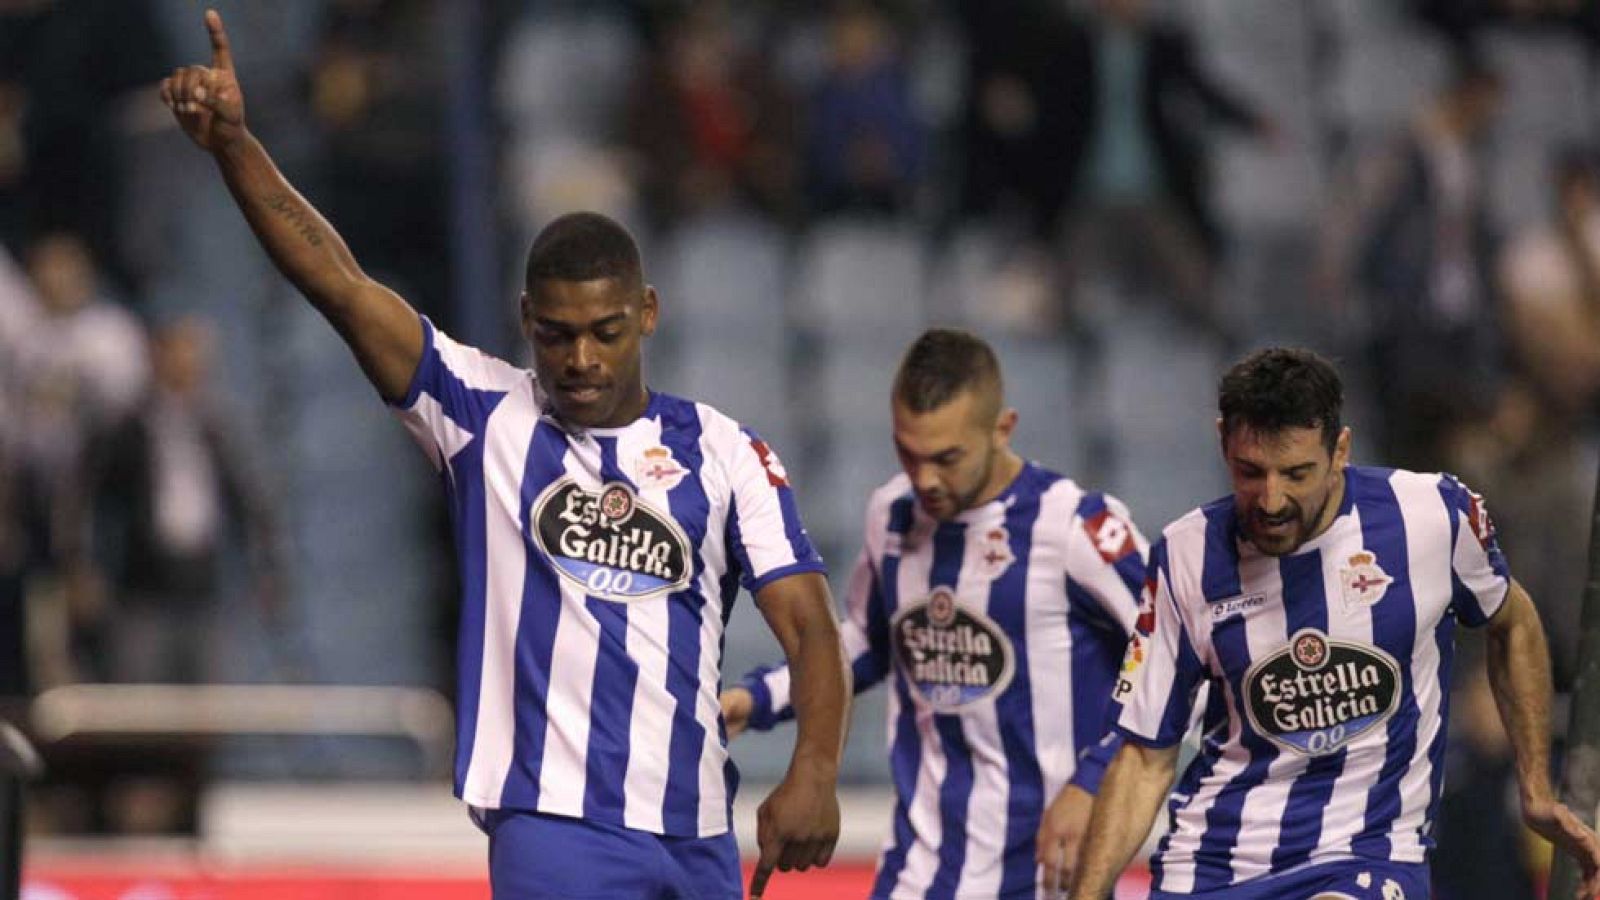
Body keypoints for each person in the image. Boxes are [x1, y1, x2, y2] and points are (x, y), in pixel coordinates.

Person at [160, 11, 849, 899]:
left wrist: (816, 772)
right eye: (558, 335)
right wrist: (235, 149)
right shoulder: (482, 411)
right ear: (527, 320)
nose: (582, 359)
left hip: (698, 835)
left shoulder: (727, 452)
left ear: (647, 312)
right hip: (553, 833)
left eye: (605, 332)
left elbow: (810, 628)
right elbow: (336, 280)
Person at [1069, 348, 1600, 900]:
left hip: (1364, 855)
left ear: (1340, 450)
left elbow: (1513, 623)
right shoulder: (1185, 556)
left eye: (1296, 473)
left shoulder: (1432, 517)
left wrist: (1535, 786)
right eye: (1251, 472)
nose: (1271, 499)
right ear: (1223, 439)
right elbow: (1145, 758)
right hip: (1207, 867)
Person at [723, 328, 1149, 898]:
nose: (925, 479)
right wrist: (756, 700)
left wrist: (1093, 784)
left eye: (947, 458)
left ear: (1003, 429)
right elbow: (866, 644)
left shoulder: (1077, 528)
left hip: (1049, 874)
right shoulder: (893, 513)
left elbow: (1174, 658)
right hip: (922, 870)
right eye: (909, 452)